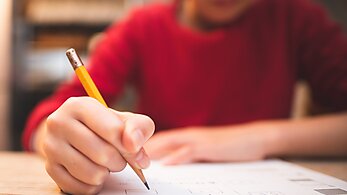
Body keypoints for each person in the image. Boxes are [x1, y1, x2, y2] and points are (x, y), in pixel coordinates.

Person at [23, 0, 347, 194]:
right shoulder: (142, 27)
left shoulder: (296, 19)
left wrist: (260, 138)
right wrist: (62, 139)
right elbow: (48, 119)